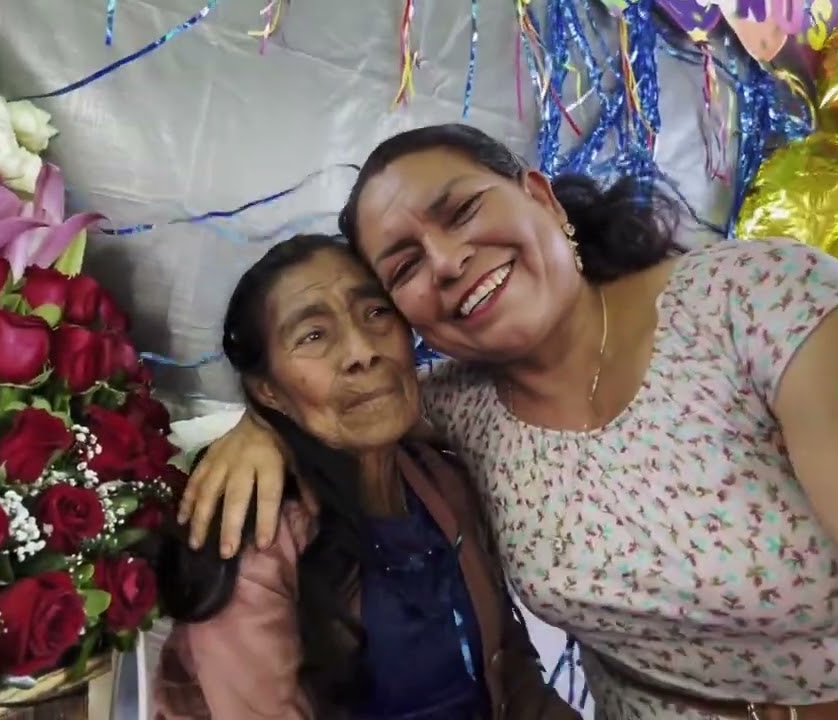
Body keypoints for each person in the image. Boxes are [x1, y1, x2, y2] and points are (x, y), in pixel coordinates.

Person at [176, 124, 838, 719]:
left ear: (542, 198)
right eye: (407, 266)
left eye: (460, 211)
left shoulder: (756, 304)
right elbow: (349, 407)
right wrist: (263, 423)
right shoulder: (459, 408)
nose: (447, 260)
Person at [151, 234, 579, 720]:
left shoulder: (442, 480)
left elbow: (511, 667)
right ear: (267, 391)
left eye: (376, 313)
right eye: (313, 335)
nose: (361, 351)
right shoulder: (254, 540)